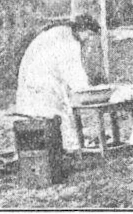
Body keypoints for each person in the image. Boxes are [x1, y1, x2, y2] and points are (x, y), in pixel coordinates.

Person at [15, 14, 101, 152]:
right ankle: (65, 150)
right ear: (82, 29)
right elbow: (73, 73)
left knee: (48, 117)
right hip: (41, 80)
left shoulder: (63, 32)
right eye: (88, 34)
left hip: (38, 79)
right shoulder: (68, 41)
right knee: (54, 117)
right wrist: (88, 89)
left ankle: (53, 148)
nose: (88, 39)